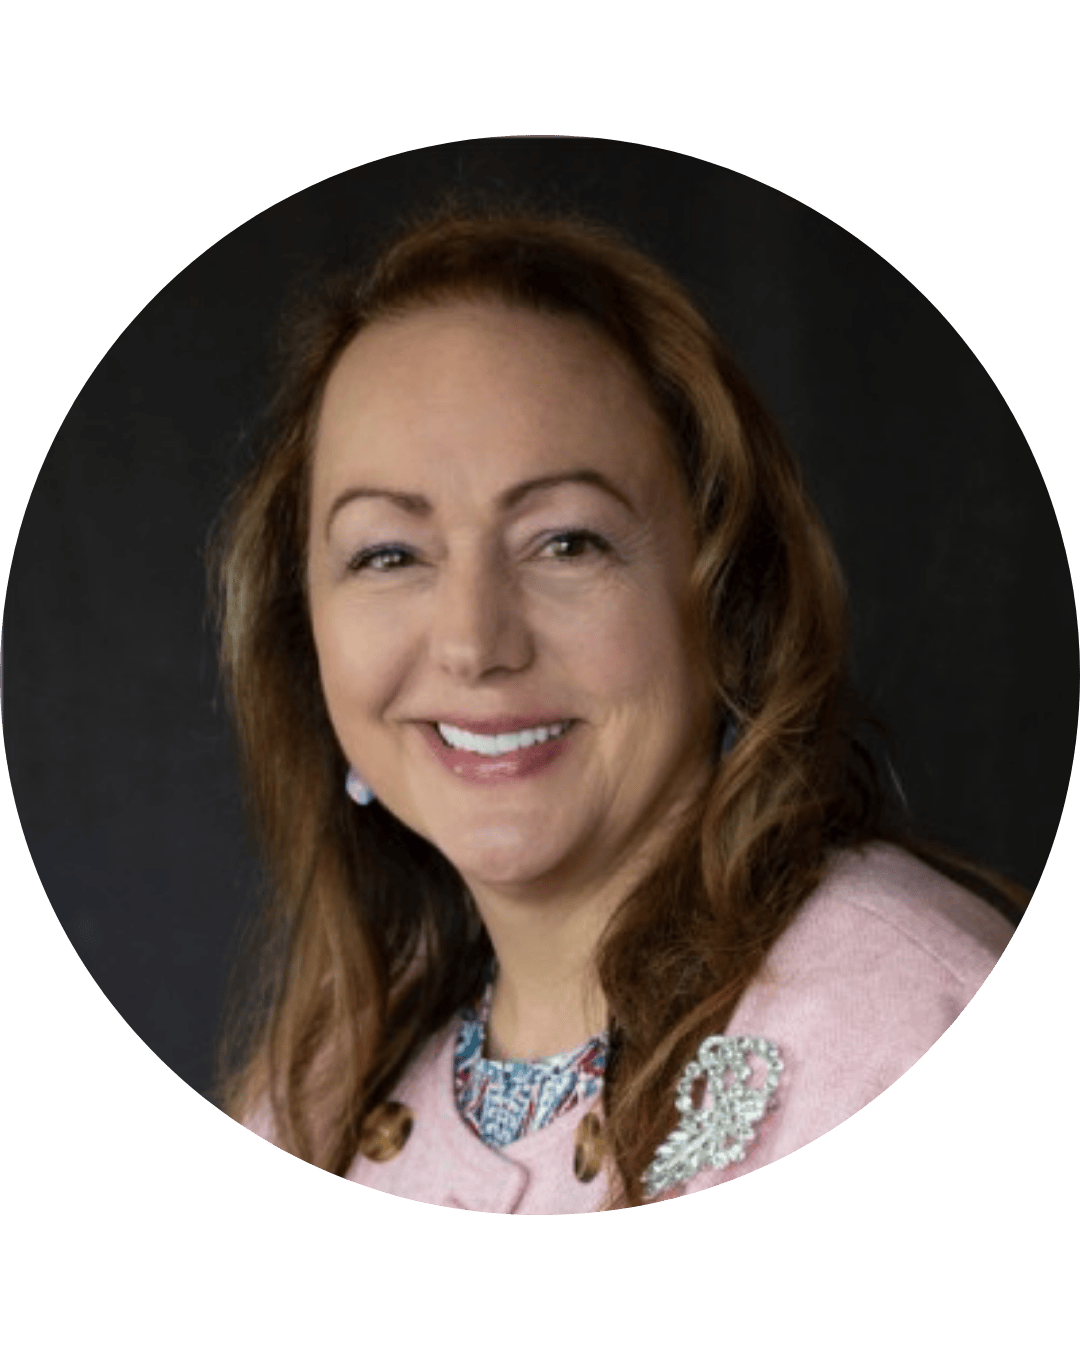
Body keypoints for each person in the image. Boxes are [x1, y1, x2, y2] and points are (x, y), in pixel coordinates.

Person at [204, 193, 1028, 1212]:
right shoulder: (315, 1093)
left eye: (567, 542)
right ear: (306, 632)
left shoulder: (903, 1014)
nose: (473, 643)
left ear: (725, 593)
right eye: (389, 553)